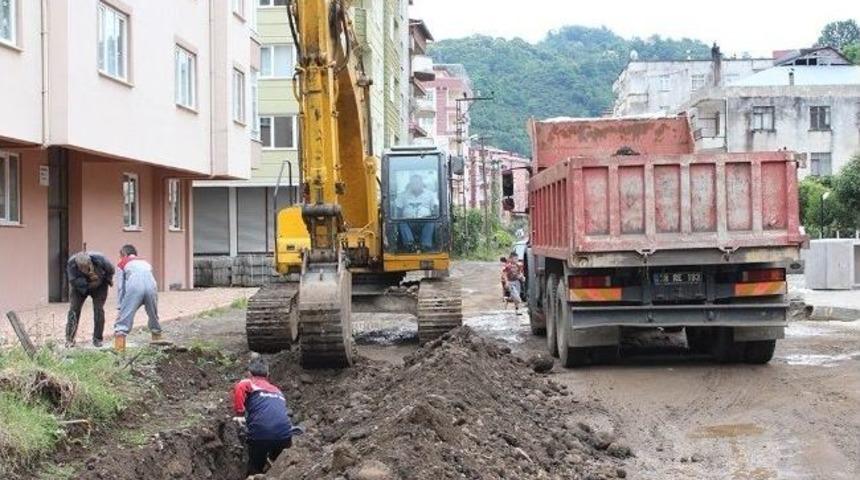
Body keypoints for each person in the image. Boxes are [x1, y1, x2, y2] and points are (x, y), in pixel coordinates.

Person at [232, 356, 295, 475]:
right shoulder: (277, 390)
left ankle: (255, 472)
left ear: (249, 373)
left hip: (260, 434)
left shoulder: (249, 382)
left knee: (255, 467)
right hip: (285, 435)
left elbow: (239, 387)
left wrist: (240, 413)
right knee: (278, 464)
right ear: (268, 374)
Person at [113, 244, 163, 352]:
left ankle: (119, 352)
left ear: (124, 254)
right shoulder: (145, 262)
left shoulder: (122, 263)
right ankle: (157, 347)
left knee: (124, 320)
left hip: (135, 287)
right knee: (153, 315)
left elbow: (121, 287)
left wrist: (120, 306)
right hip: (152, 286)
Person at [65, 251, 115, 347]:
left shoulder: (100, 259)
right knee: (74, 310)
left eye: (85, 267)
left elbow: (111, 270)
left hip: (100, 285)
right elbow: (73, 281)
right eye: (81, 267)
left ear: (90, 262)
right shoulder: (72, 264)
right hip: (80, 287)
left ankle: (98, 339)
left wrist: (106, 280)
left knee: (98, 310)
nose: (83, 269)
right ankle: (69, 339)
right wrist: (88, 285)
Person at [395, 174, 438, 251]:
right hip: (408, 222)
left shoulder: (430, 195)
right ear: (410, 184)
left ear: (422, 184)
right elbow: (398, 210)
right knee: (401, 222)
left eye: (417, 183)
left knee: (432, 221)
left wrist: (431, 216)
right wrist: (400, 217)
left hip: (425, 221)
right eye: (413, 183)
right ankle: (409, 245)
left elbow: (435, 209)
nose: (415, 185)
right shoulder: (403, 195)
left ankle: (425, 246)